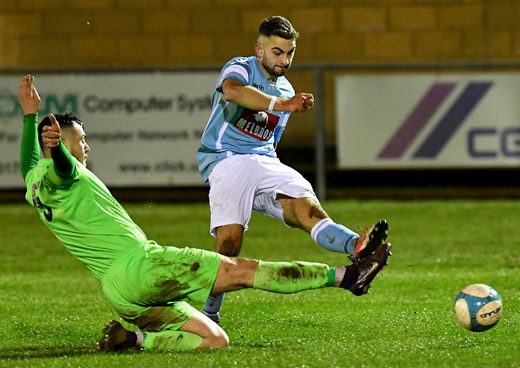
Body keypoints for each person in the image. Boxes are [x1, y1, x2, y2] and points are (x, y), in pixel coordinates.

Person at [19, 75, 391, 352]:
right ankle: (345, 276)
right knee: (244, 271)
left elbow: (29, 159)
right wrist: (58, 147)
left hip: (119, 294)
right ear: (59, 143)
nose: (87, 146)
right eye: (79, 140)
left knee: (215, 340)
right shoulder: (63, 172)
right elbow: (64, 168)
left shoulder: (33, 179)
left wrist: (28, 118)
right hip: (142, 266)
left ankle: (132, 339)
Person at [197, 15, 390, 323]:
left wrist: (283, 107)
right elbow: (233, 92)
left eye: (290, 53)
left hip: (265, 161)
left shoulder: (286, 88)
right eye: (277, 52)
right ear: (260, 50)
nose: (284, 60)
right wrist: (283, 104)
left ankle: (358, 248)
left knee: (309, 211)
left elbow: (270, 141)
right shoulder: (240, 67)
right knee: (230, 244)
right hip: (227, 158)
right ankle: (209, 313)